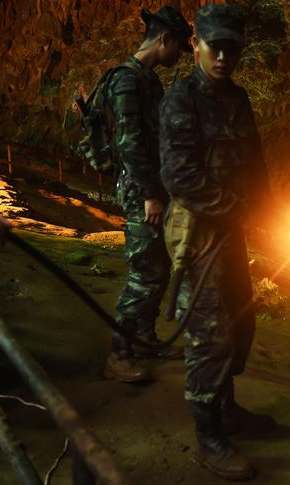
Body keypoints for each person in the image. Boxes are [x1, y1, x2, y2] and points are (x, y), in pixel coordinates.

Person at [159, 4, 275, 480]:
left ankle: (226, 408)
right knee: (210, 336)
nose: (224, 55)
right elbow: (179, 175)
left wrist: (267, 209)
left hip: (233, 233)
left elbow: (254, 163)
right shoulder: (181, 99)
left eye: (233, 48)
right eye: (215, 46)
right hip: (199, 235)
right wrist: (234, 209)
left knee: (242, 324)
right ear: (195, 44)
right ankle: (209, 439)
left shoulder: (238, 99)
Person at [103, 6, 193, 383]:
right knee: (145, 271)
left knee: (156, 266)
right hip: (141, 191)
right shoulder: (127, 81)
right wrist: (150, 195)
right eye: (178, 48)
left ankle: (142, 337)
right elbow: (130, 144)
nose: (178, 56)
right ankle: (118, 353)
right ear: (164, 40)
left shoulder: (147, 79)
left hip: (152, 187)